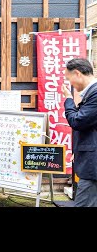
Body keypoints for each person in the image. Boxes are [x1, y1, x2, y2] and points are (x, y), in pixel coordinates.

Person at [61, 58, 97, 207]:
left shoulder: (95, 94)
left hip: (93, 164)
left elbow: (77, 121)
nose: (71, 85)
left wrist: (68, 100)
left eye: (69, 79)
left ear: (77, 73)